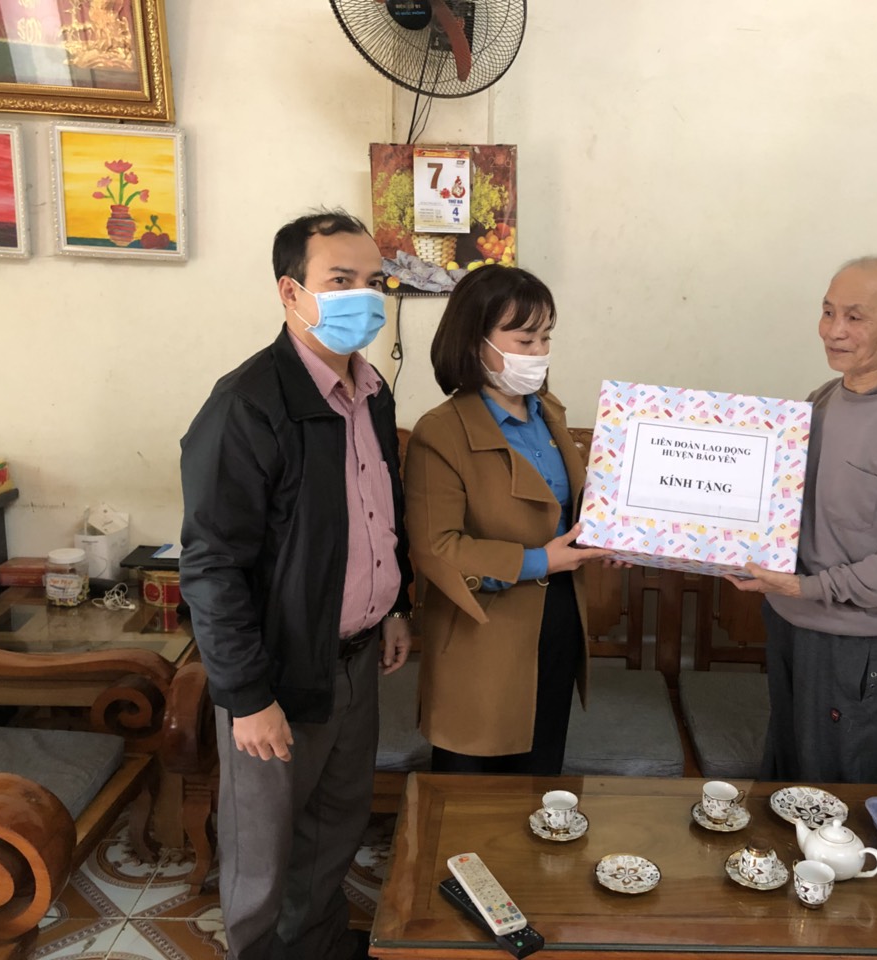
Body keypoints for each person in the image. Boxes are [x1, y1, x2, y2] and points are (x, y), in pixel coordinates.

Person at [179, 210, 413, 960]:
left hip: (356, 659)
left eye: (372, 282)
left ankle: (318, 946)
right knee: (264, 852)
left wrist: (396, 606)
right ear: (290, 292)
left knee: (335, 827)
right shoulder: (248, 405)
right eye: (340, 280)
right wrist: (247, 697)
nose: (363, 298)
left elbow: (381, 512)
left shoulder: (372, 392)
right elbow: (212, 564)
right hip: (277, 672)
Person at [727, 255, 877, 783]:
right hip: (791, 620)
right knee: (784, 777)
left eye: (855, 317)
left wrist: (809, 587)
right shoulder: (823, 400)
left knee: (834, 792)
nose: (834, 330)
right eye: (828, 312)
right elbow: (782, 506)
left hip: (855, 640)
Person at [404, 265, 610, 775]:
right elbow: (437, 547)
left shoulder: (549, 414)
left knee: (541, 782)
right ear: (475, 341)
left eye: (546, 337)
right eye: (524, 339)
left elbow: (572, 510)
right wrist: (539, 560)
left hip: (558, 617)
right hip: (482, 631)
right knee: (472, 794)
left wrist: (615, 538)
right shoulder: (441, 432)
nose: (539, 352)